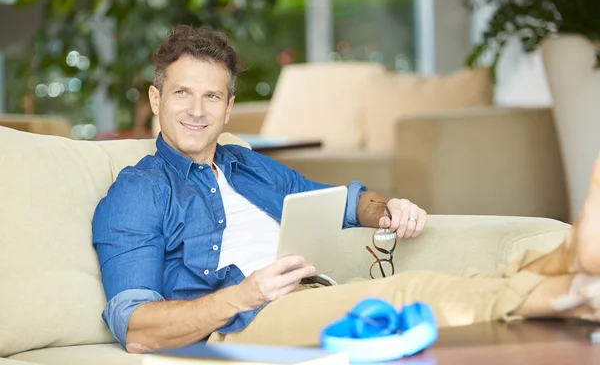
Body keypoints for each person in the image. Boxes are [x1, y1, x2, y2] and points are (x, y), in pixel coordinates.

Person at [92, 25, 600, 354]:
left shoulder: (251, 167)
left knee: (456, 277)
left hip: (315, 297)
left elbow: (340, 201)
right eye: (182, 93)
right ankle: (570, 275)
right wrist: (241, 294)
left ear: (229, 109)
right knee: (407, 299)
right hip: (243, 328)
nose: (197, 111)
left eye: (212, 97)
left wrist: (384, 209)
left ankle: (573, 283)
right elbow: (136, 328)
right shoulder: (139, 192)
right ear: (157, 99)